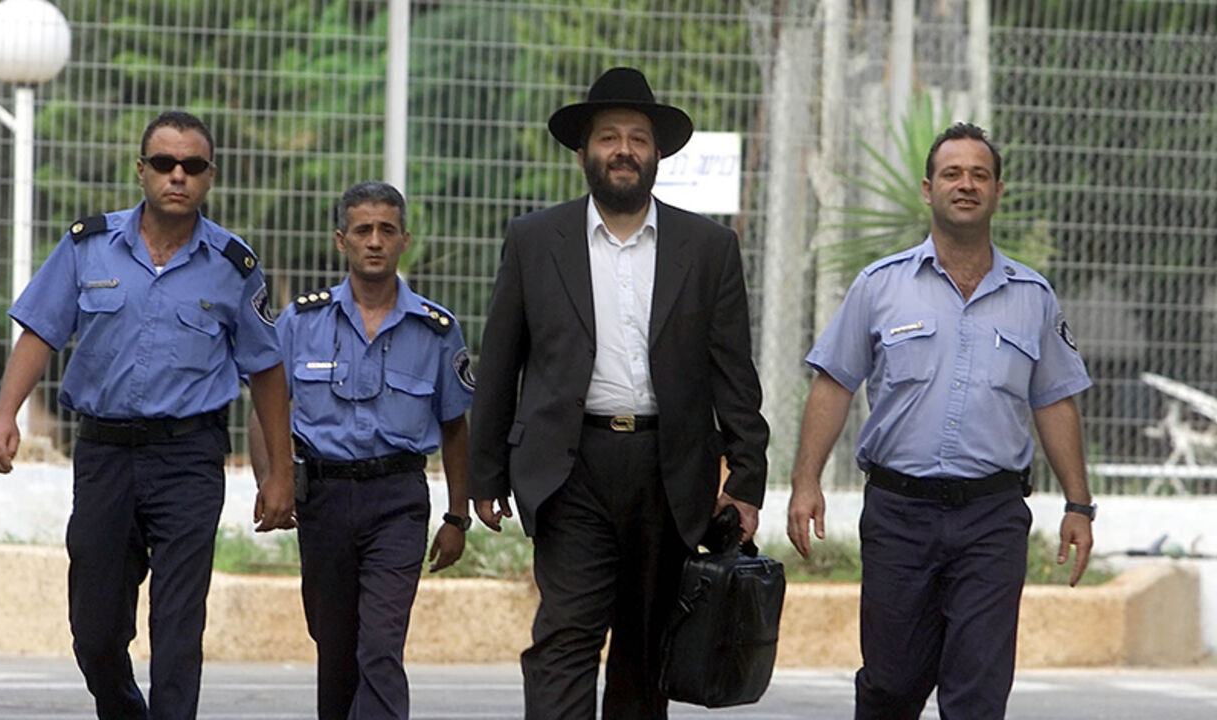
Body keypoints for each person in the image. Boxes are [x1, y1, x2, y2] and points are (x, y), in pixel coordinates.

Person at [468, 67, 770, 720]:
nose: (624, 149)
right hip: (569, 464)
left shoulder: (710, 248)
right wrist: (482, 472)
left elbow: (734, 375)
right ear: (585, 154)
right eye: (609, 137)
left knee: (643, 655)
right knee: (565, 635)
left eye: (637, 137)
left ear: (657, 153)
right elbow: (500, 362)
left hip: (670, 471)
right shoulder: (533, 240)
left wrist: (746, 476)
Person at [0, 110, 296, 719]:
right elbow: (40, 332)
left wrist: (278, 474)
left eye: (192, 166)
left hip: (189, 457)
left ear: (210, 175)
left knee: (178, 629)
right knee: (95, 631)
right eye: (163, 163)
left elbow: (267, 371)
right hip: (103, 454)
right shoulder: (87, 246)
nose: (177, 176)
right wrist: (4, 414)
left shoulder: (234, 265)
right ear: (141, 170)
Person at [786, 122, 1096, 720]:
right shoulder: (880, 287)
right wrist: (806, 482)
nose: (966, 185)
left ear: (997, 192)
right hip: (899, 515)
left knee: (977, 691)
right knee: (893, 682)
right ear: (929, 189)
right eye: (953, 174)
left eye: (980, 175)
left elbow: (1055, 400)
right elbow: (834, 384)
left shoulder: (1033, 296)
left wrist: (1078, 507)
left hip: (992, 519)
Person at [249, 181, 474, 720]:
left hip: (397, 500)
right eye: (363, 230)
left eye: (387, 230)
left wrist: (457, 517)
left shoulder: (437, 330)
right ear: (341, 241)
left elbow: (456, 428)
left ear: (404, 241)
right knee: (336, 650)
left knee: (380, 646)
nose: (375, 241)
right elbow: (266, 411)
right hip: (323, 499)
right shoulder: (301, 321)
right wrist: (273, 481)